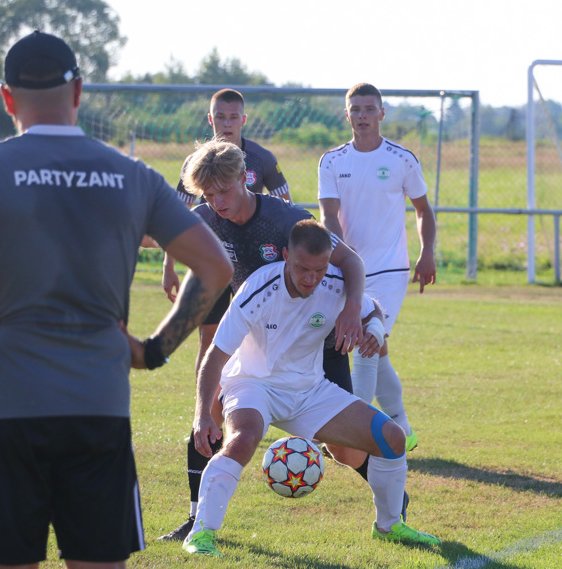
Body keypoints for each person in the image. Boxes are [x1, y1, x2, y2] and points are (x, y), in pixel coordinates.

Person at [0, 31, 233, 569]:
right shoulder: (132, 175)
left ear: (7, 98)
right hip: (98, 404)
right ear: (80, 91)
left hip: (5, 404)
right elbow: (215, 266)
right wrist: (153, 349)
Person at [156, 139, 372, 542]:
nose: (216, 201)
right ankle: (195, 517)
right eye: (208, 194)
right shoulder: (204, 216)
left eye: (223, 190)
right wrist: (171, 266)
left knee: (344, 447)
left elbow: (351, 261)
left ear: (244, 178)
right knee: (209, 412)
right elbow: (172, 235)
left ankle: (392, 502)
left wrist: (351, 308)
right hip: (257, 337)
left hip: (315, 338)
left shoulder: (287, 218)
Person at [183, 220, 441, 556]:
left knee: (392, 438)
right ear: (287, 256)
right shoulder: (259, 287)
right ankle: (201, 534)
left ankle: (389, 526)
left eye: (319, 270)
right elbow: (215, 358)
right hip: (253, 383)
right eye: (303, 268)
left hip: (308, 390)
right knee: (243, 438)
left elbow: (373, 308)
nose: (311, 278)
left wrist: (375, 330)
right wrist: (203, 413)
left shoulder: (334, 282)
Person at [318, 82, 437, 452]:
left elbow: (423, 210)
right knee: (377, 349)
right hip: (348, 271)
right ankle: (402, 427)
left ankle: (357, 434)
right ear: (347, 114)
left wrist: (427, 252)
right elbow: (328, 215)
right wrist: (342, 256)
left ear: (382, 113)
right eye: (356, 109)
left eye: (369, 109)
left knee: (368, 343)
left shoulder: (402, 159)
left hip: (390, 272)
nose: (363, 116)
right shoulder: (332, 160)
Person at [163, 88, 291, 302]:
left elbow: (286, 207)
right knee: (210, 333)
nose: (227, 123)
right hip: (210, 257)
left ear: (244, 120)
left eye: (234, 117)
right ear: (210, 119)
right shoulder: (195, 163)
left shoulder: (262, 158)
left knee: (257, 331)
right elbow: (178, 216)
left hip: (254, 258)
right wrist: (169, 266)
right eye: (221, 117)